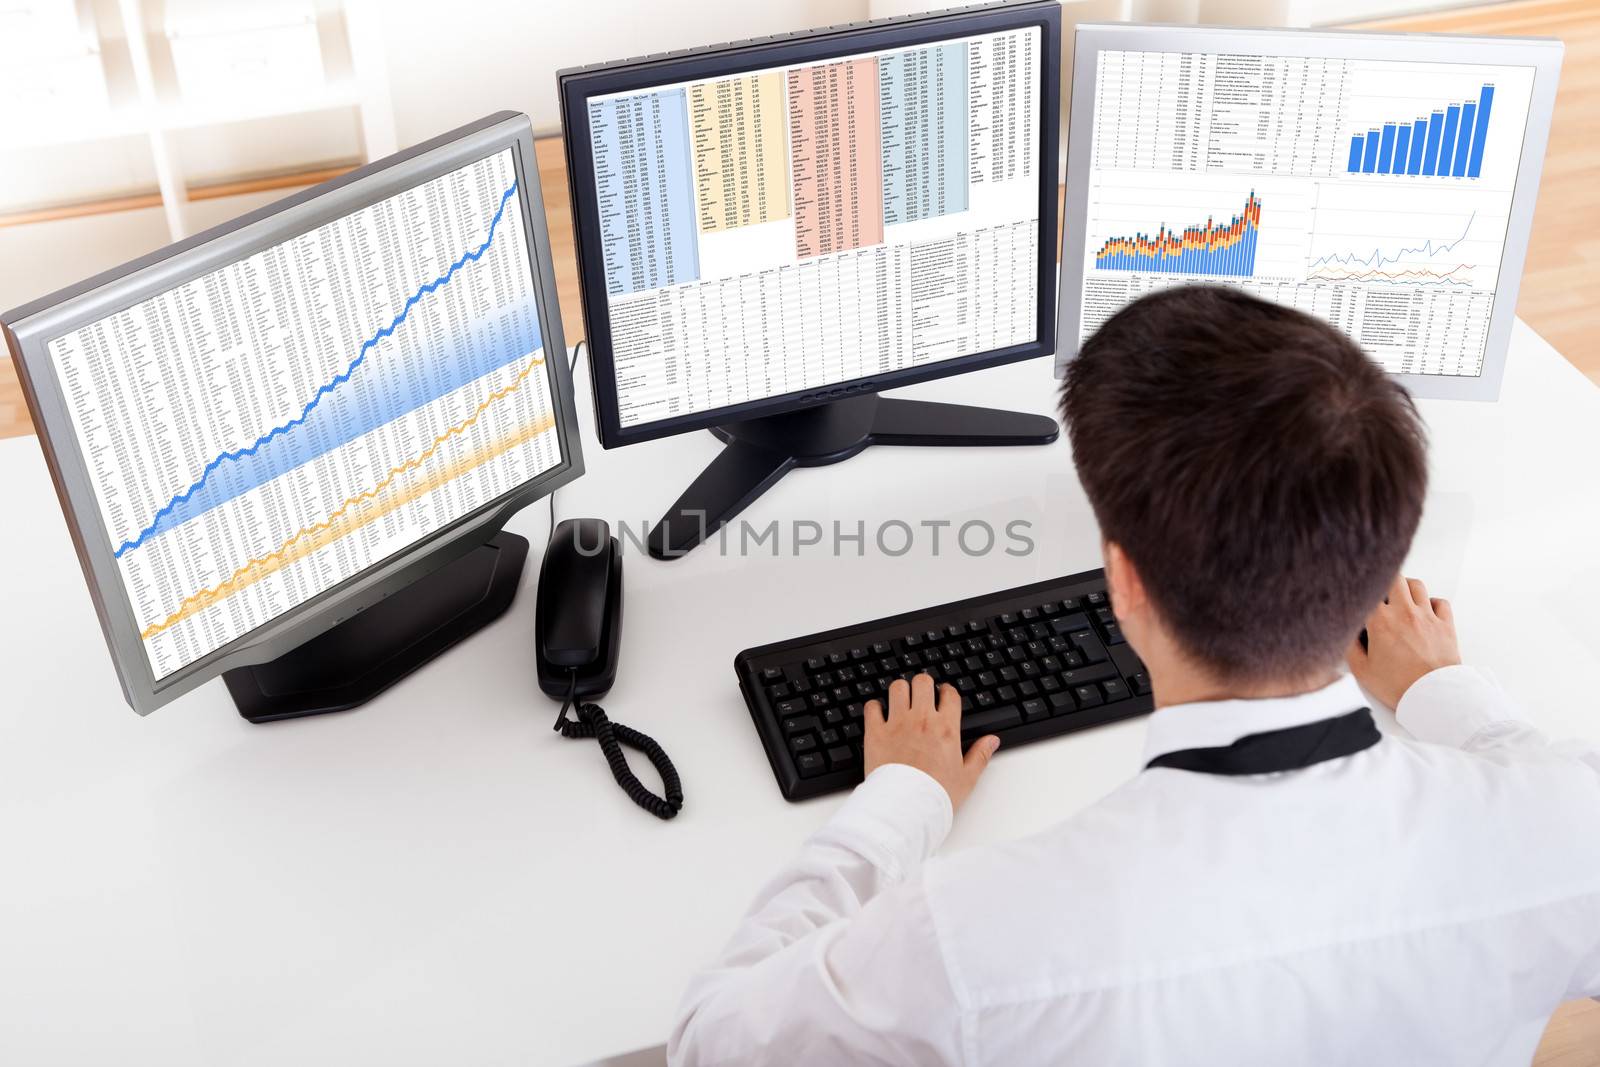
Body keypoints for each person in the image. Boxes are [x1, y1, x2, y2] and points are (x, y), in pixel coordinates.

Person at [665, 286, 1600, 1066]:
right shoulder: (1564, 827)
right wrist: (1450, 696)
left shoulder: (975, 934)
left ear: (1123, 579)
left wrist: (897, 800)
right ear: (1381, 563)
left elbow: (713, 1040)